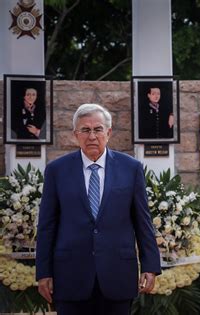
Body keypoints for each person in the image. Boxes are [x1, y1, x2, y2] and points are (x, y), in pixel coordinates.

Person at [35, 103, 161, 315]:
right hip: (70, 277)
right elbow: (47, 225)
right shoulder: (57, 171)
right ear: (76, 134)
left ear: (108, 133)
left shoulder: (131, 168)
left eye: (97, 129)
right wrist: (43, 272)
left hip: (117, 275)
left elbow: (142, 221)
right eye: (85, 130)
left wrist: (150, 265)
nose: (91, 136)